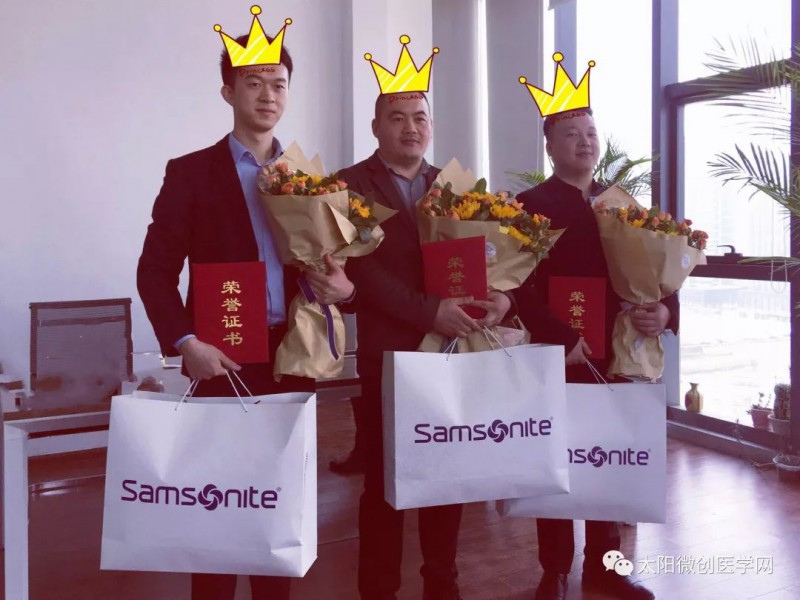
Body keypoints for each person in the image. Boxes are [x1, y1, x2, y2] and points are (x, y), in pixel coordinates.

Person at [137, 33, 354, 600]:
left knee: (277, 505)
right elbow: (154, 272)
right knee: (218, 504)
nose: (267, 95)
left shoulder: (311, 180)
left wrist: (343, 287)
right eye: (253, 83)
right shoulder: (191, 173)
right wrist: (185, 341)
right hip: (219, 356)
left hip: (292, 355)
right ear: (228, 91)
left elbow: (333, 270)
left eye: (278, 84)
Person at [339, 91, 513, 599]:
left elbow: (490, 260)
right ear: (376, 126)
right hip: (389, 353)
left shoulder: (455, 188)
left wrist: (504, 299)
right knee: (383, 481)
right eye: (397, 118)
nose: (410, 128)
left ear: (431, 126)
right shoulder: (350, 186)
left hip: (452, 352)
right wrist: (428, 310)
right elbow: (361, 271)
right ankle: (378, 589)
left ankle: (442, 582)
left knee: (445, 473)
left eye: (419, 118)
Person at [514, 108, 675, 600]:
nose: (584, 142)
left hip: (616, 349)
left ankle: (607, 567)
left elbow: (658, 275)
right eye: (571, 134)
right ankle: (554, 570)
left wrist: (664, 313)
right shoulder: (528, 205)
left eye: (590, 133)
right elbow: (517, 285)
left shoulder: (621, 205)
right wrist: (559, 336)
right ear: (550, 147)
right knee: (556, 460)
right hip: (556, 350)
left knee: (609, 458)